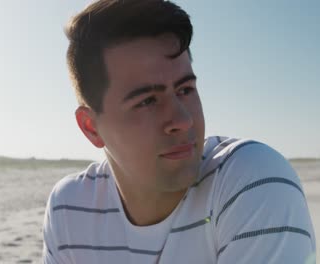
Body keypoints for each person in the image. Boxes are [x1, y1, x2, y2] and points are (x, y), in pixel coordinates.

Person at [42, 0, 316, 263]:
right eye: (147, 101)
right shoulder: (69, 209)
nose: (183, 120)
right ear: (91, 128)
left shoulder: (252, 180)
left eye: (185, 90)